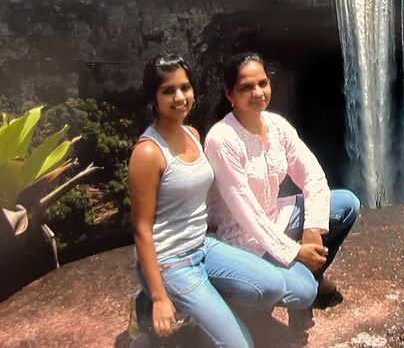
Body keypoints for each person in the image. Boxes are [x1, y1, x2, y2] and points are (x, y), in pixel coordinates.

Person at [129, 54, 292, 347]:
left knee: (272, 286)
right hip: (171, 261)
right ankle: (150, 307)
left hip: (202, 246)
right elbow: (142, 229)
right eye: (168, 91)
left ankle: (196, 318)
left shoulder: (192, 134)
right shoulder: (148, 153)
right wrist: (159, 297)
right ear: (153, 97)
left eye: (185, 88)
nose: (180, 97)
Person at [204, 52, 360, 327]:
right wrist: (296, 251)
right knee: (303, 292)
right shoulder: (222, 139)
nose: (258, 93)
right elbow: (248, 215)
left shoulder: (276, 125)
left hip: (276, 218)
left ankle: (312, 272)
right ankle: (244, 297)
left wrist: (312, 231)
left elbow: (312, 174)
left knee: (346, 203)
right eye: (246, 87)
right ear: (229, 94)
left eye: (263, 83)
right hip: (241, 239)